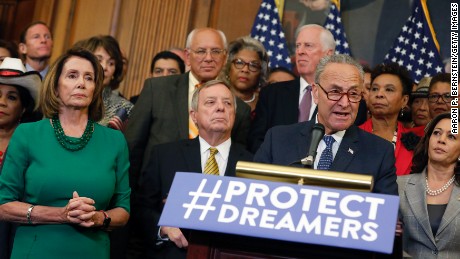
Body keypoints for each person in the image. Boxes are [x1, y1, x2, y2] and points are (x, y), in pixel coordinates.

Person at [0, 48, 130, 258]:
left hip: (92, 251)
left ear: (96, 88)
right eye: (72, 75)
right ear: (56, 86)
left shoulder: (115, 141)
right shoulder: (28, 134)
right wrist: (60, 214)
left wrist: (98, 217)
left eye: (89, 77)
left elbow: (123, 211)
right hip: (35, 250)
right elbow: (3, 205)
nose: (81, 83)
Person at [133, 80, 253, 258]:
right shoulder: (165, 155)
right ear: (194, 115)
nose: (221, 108)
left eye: (227, 103)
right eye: (211, 102)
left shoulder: (252, 164)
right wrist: (163, 227)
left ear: (234, 114)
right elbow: (142, 208)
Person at [125, 28, 251, 191]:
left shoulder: (238, 109)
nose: (208, 58)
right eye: (200, 51)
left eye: (215, 51)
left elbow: (236, 159)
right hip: (155, 198)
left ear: (225, 57)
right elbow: (132, 148)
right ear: (187, 56)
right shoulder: (157, 89)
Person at [254, 54, 397, 195]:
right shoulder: (278, 139)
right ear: (315, 93)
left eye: (353, 94)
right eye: (335, 92)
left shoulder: (379, 152)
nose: (345, 103)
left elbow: (387, 214)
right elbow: (254, 195)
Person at [247, 24, 335, 153]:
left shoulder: (341, 99)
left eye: (308, 46)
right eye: (298, 46)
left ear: (328, 54)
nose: (300, 51)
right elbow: (256, 141)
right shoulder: (272, 94)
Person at [397, 113, 460, 258]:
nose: (441, 140)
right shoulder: (399, 185)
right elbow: (386, 239)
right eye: (437, 133)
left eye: (451, 136)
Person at [0, 57, 41, 259]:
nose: (1, 102)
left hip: (15, 237)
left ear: (24, 108)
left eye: (12, 97)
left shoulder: (34, 147)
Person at [359, 63, 423, 176]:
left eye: (389, 89)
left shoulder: (417, 143)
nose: (379, 94)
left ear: (404, 100)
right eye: (374, 89)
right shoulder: (351, 136)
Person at [74, 35, 133, 130]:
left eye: (111, 63)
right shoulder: (70, 97)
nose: (105, 67)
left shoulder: (124, 108)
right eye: (99, 59)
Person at [220, 36, 269, 116]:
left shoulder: (265, 106)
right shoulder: (214, 98)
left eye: (253, 65)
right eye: (239, 63)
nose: (245, 70)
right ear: (229, 67)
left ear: (261, 73)